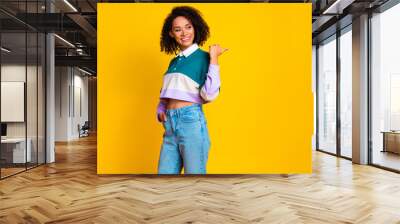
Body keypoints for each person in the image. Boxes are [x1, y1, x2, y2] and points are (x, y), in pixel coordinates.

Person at [156, 6, 227, 174]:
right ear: (171, 34)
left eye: (188, 27)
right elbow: (166, 92)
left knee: (194, 180)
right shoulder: (174, 62)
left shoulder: (204, 57)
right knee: (163, 179)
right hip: (170, 126)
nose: (184, 33)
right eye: (177, 29)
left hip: (190, 122)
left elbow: (209, 94)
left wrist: (214, 59)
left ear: (195, 28)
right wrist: (161, 108)